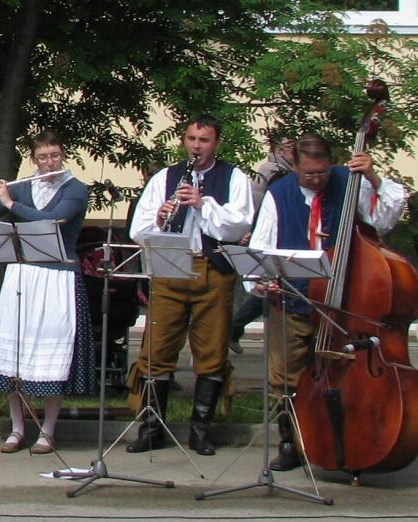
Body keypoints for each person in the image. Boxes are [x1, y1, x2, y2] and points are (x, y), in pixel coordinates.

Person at [247, 133, 406, 470]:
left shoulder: (349, 182)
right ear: (295, 166)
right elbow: (261, 247)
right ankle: (290, 444)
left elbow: (384, 219)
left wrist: (373, 177)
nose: (317, 180)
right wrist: (260, 282)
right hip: (294, 299)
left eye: (322, 173)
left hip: (346, 307)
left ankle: (351, 438)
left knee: (348, 378)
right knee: (285, 376)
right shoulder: (279, 193)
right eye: (309, 174)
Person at [0, 131, 96, 455]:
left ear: (63, 155)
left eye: (54, 155)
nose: (49, 162)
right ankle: (17, 427)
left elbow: (53, 220)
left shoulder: (76, 189)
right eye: (43, 157)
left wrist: (9, 201)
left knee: (52, 358)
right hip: (22, 274)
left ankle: (47, 430)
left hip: (58, 278)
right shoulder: (23, 187)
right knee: (16, 354)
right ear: (34, 159)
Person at [127, 114, 254, 456]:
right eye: (191, 139)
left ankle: (201, 432)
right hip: (171, 267)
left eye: (204, 140)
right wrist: (158, 217)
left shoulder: (233, 177)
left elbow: (239, 224)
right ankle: (152, 428)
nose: (196, 146)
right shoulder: (166, 177)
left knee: (211, 352)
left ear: (217, 143)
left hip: (213, 269)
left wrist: (202, 203)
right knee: (156, 349)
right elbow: (137, 229)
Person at [230, 135, 296, 355]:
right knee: (270, 288)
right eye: (289, 148)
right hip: (265, 232)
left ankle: (235, 327)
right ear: (279, 150)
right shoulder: (272, 172)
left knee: (270, 289)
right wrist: (251, 230)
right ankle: (234, 326)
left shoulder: (284, 170)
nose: (292, 152)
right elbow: (258, 203)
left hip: (266, 231)